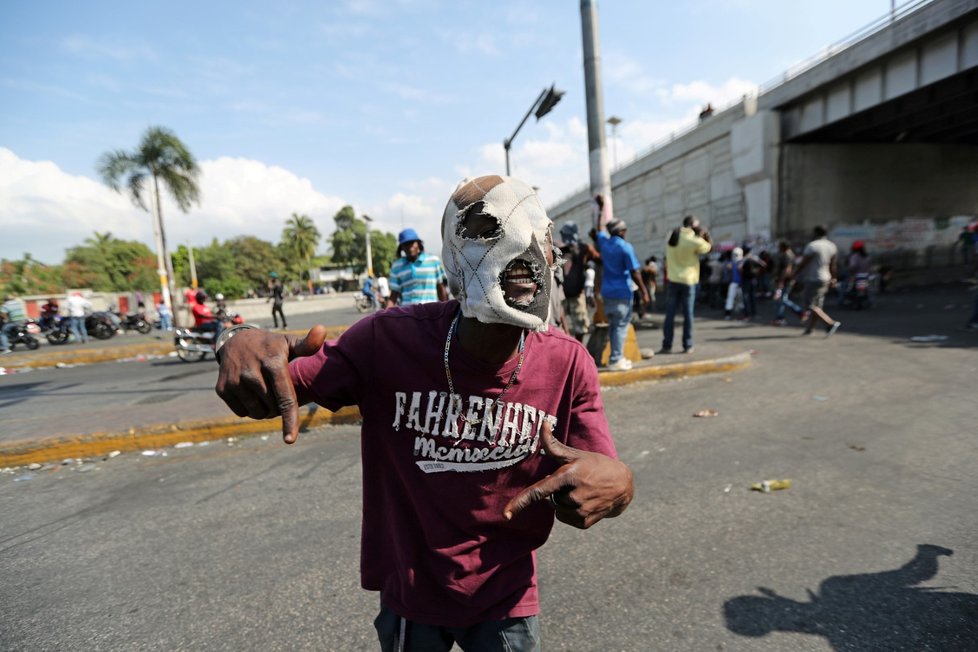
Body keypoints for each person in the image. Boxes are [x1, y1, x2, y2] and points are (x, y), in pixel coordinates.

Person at [214, 175, 634, 651]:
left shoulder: (567, 360)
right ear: (454, 259)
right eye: (490, 231)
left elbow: (602, 470)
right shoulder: (386, 340)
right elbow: (277, 381)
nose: (525, 249)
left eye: (540, 236)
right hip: (412, 594)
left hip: (506, 595)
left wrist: (621, 484)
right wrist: (236, 340)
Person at [660, 215, 712, 354]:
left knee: (670, 314)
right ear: (693, 225)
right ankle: (687, 344)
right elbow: (708, 248)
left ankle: (667, 344)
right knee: (688, 314)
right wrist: (704, 235)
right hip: (688, 281)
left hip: (672, 279)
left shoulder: (672, 235)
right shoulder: (693, 240)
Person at [792, 225, 842, 337]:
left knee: (809, 305)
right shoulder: (831, 245)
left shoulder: (812, 246)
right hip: (826, 278)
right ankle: (810, 329)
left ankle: (830, 323)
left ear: (815, 233)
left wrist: (794, 274)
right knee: (817, 306)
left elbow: (804, 263)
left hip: (813, 278)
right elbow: (833, 265)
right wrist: (834, 278)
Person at [558, 221, 599, 342]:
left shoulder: (583, 248)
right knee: (557, 324)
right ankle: (566, 348)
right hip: (561, 294)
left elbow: (598, 258)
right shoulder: (559, 249)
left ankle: (578, 349)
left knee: (580, 325)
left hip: (576, 293)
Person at [387, 228, 448, 307]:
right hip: (407, 314)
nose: (409, 247)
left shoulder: (433, 261)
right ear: (401, 247)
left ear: (418, 243)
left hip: (431, 312)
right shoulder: (397, 266)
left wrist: (445, 310)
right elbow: (393, 296)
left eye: (412, 243)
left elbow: (441, 288)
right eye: (405, 244)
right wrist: (384, 316)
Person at [771, 240, 804, 326]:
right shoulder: (789, 255)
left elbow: (787, 270)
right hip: (786, 280)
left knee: (782, 299)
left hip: (786, 281)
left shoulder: (787, 256)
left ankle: (800, 312)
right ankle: (780, 318)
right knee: (781, 300)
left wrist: (781, 281)